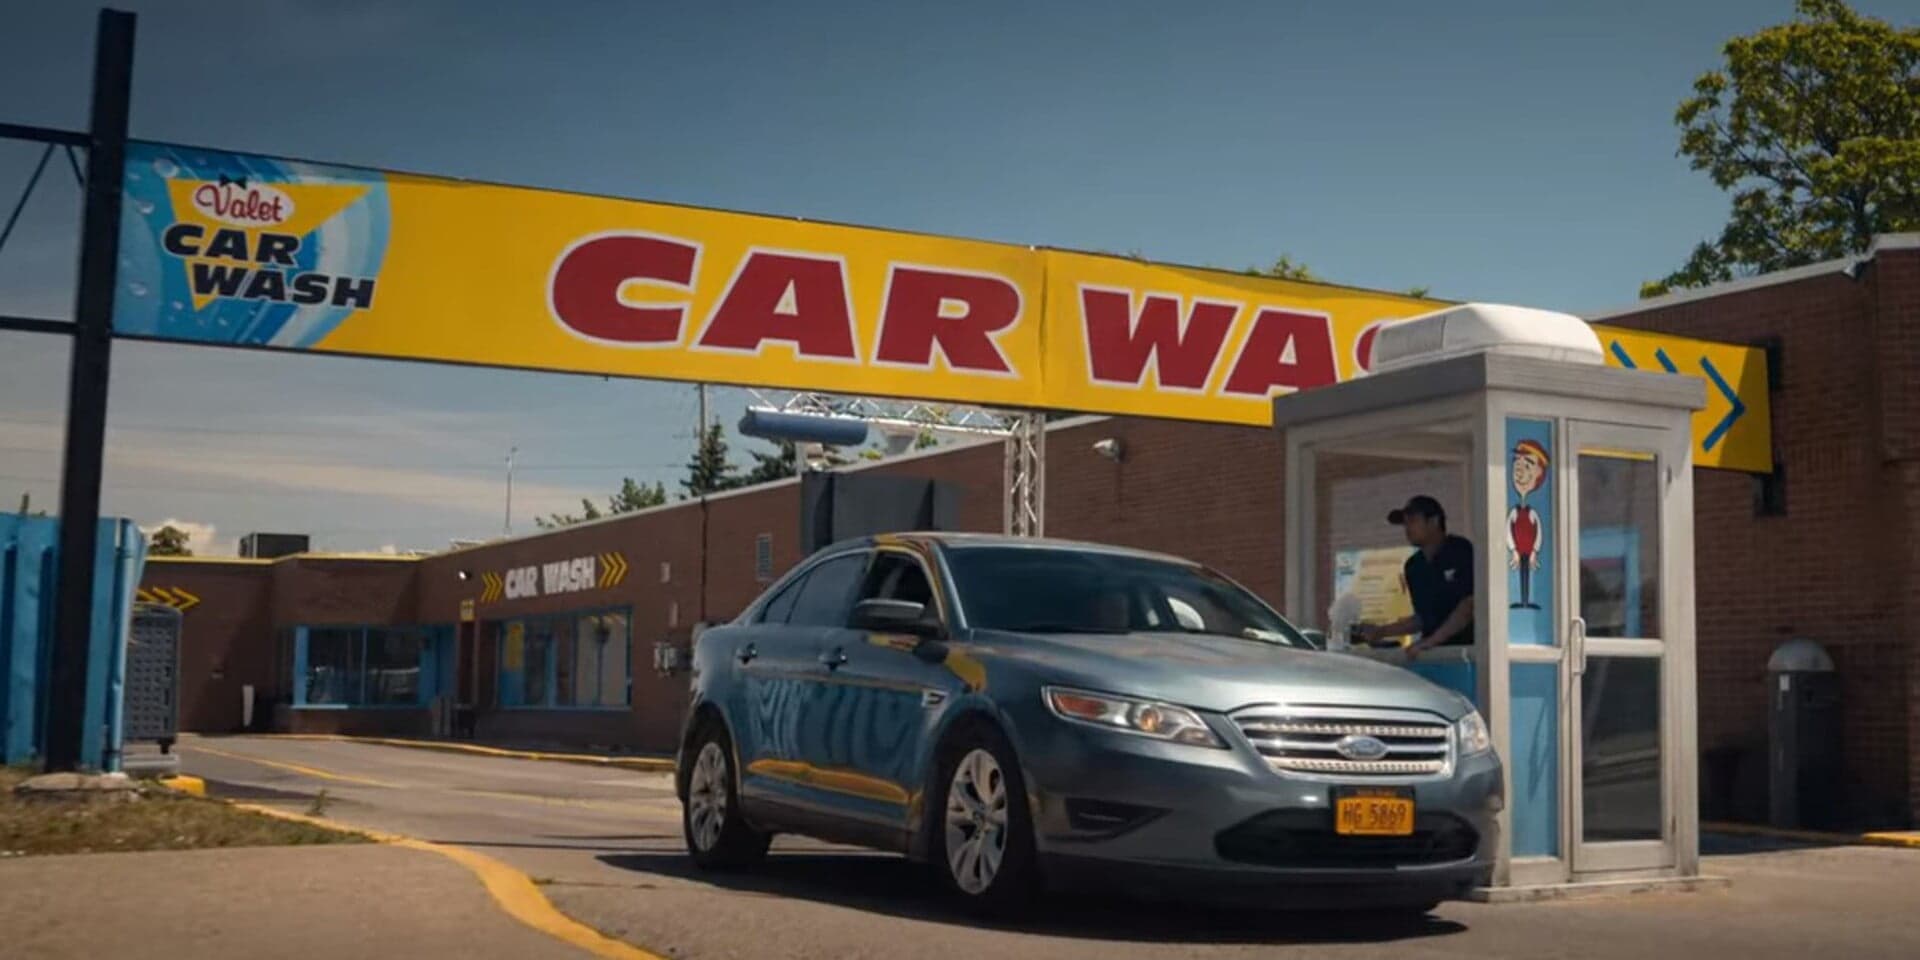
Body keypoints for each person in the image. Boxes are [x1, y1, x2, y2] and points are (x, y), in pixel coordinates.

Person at [1356, 495, 1474, 662]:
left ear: (1433, 522)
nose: (1407, 528)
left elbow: (1468, 606)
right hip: (1432, 656)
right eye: (1405, 523)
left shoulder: (1460, 551)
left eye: (1412, 521)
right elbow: (1423, 618)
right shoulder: (1414, 566)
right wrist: (1381, 631)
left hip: (1467, 654)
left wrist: (1430, 642)